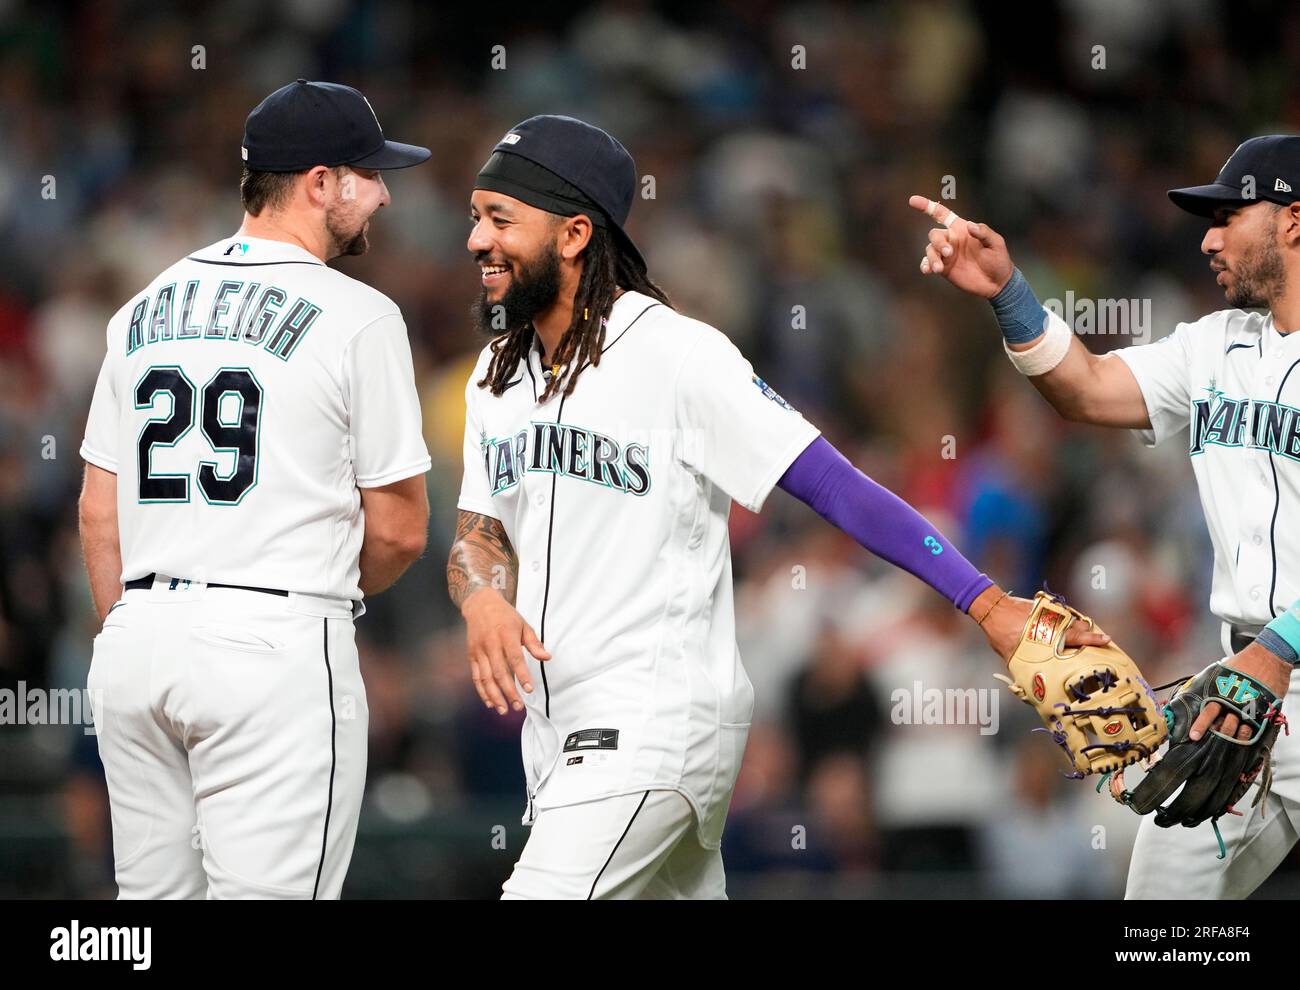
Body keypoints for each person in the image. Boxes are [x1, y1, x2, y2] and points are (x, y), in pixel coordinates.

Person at [446, 114, 1108, 900]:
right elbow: (477, 533)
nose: (476, 240)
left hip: (651, 727)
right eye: (475, 217)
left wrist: (986, 601)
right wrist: (482, 594)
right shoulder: (493, 375)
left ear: (574, 233)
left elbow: (834, 485)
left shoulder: (677, 355)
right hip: (559, 738)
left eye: (500, 218)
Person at [909, 134, 1300, 899]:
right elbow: (1085, 387)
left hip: (1265, 667)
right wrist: (1006, 290)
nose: (1208, 237)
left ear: (1294, 219)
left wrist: (1276, 652)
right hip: (1243, 693)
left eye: (1229, 215)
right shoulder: (1214, 344)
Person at [77, 80, 432, 899]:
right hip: (274, 643)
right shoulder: (360, 315)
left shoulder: (140, 307)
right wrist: (311, 590)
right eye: (368, 173)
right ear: (317, 183)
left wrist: (142, 624)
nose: (382, 192)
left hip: (137, 644)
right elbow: (401, 533)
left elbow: (100, 511)